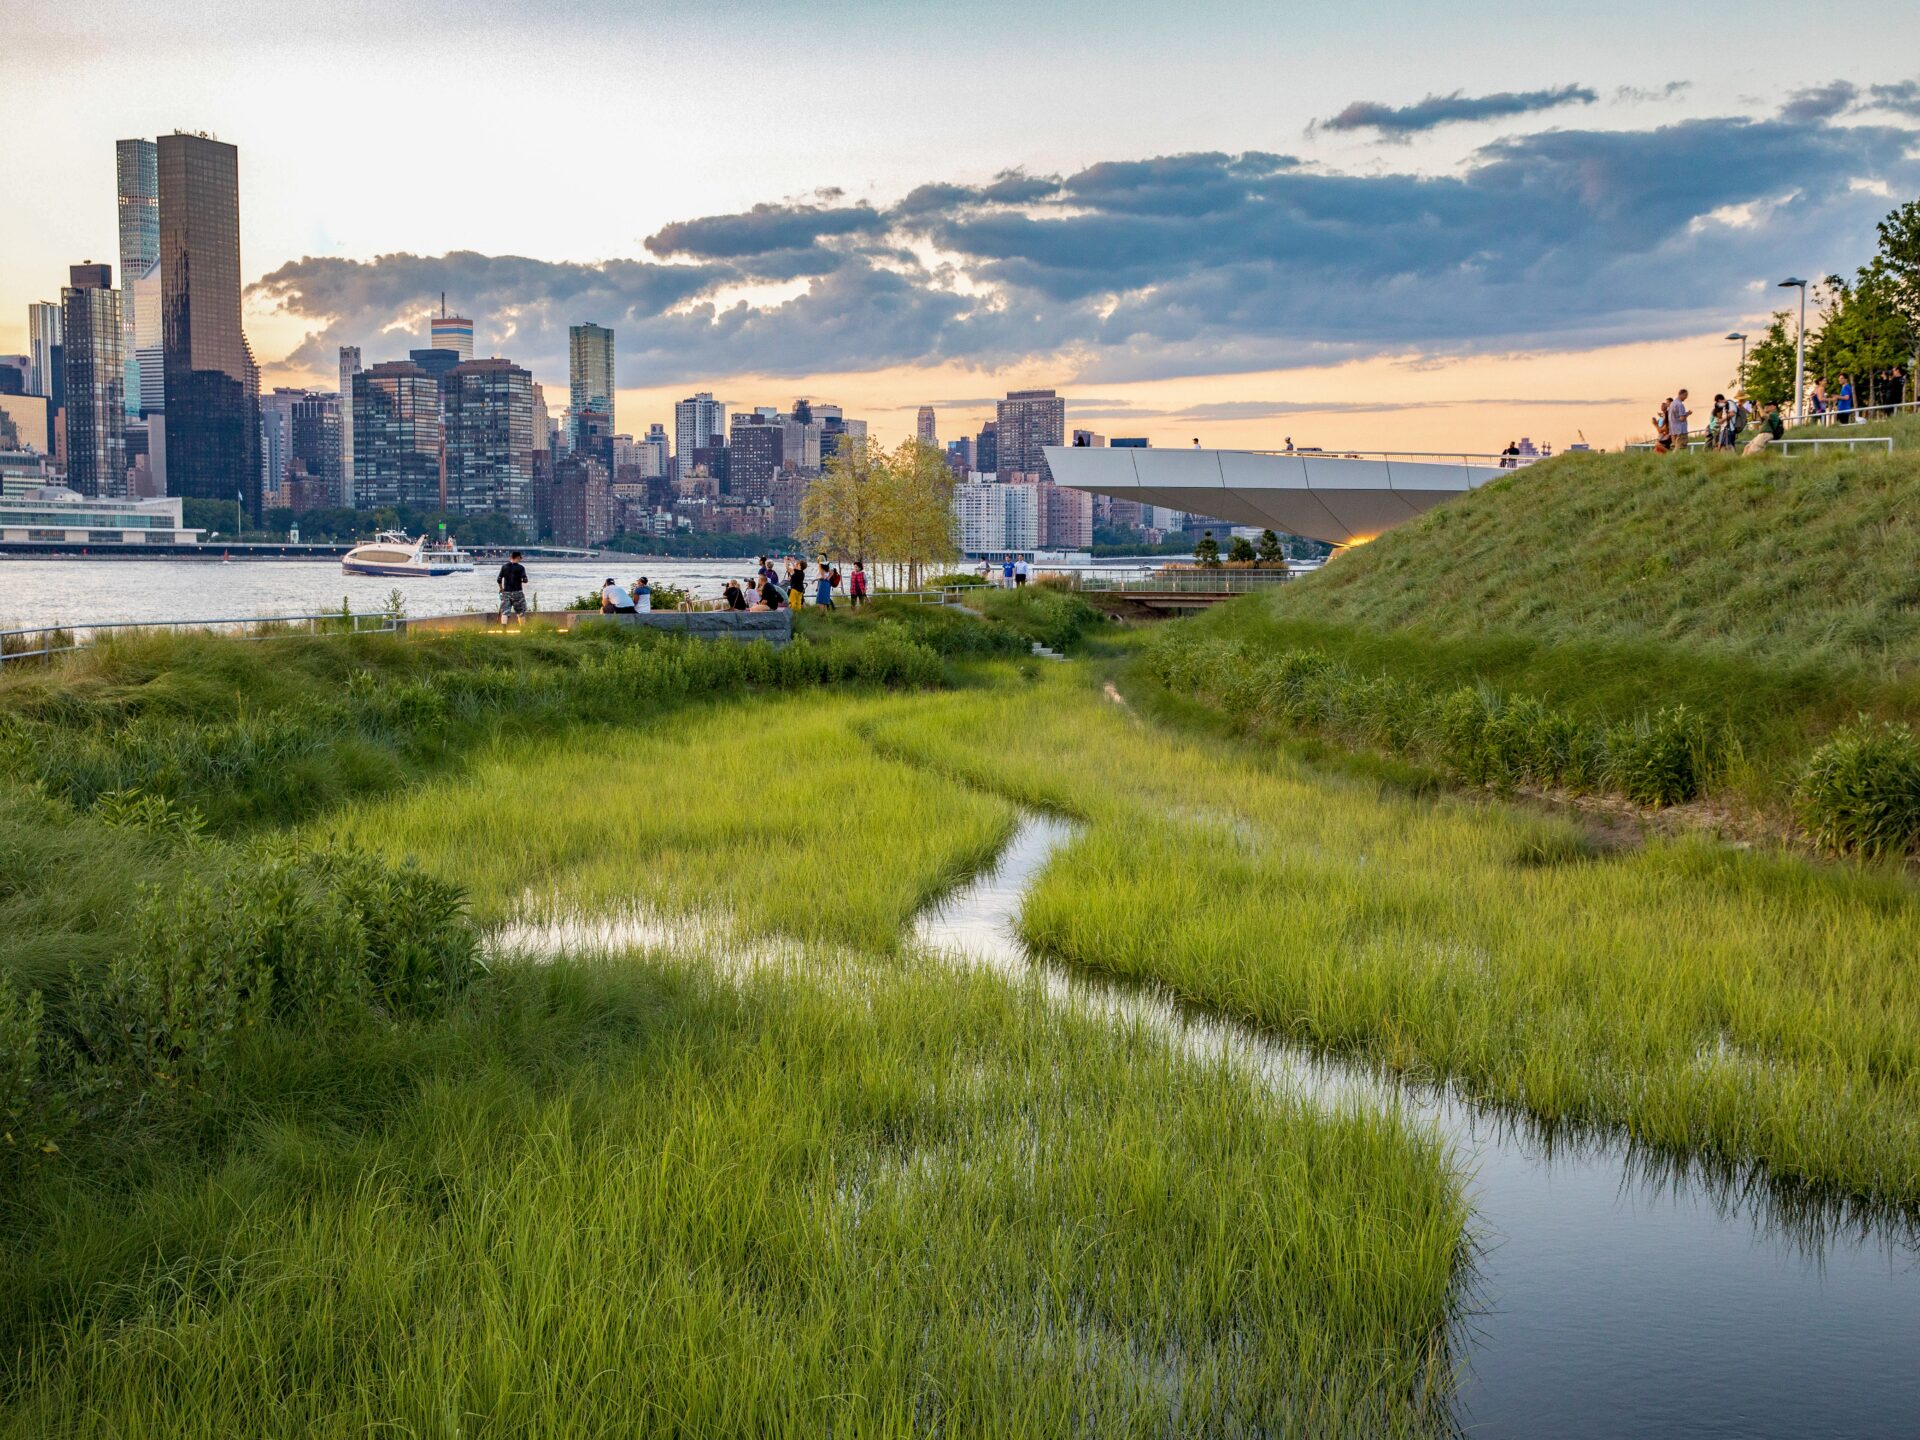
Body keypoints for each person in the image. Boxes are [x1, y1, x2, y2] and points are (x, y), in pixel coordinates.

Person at [497, 550, 529, 624]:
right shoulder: (521, 568)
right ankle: (523, 629)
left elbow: (499, 579)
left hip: (506, 592)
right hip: (517, 592)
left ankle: (504, 630)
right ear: (518, 558)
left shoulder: (504, 567)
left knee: (505, 612)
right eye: (520, 558)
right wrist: (520, 580)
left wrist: (501, 588)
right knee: (521, 612)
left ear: (511, 557)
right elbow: (525, 580)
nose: (520, 559)